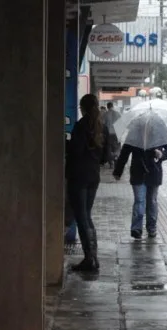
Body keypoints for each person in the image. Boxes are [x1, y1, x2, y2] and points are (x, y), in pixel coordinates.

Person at [66, 94, 110, 272]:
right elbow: (105, 157)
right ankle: (93, 257)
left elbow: (75, 151)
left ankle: (89, 259)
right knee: (87, 215)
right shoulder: (103, 128)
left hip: (79, 176)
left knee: (81, 216)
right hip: (93, 176)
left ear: (83, 107)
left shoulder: (81, 126)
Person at [113, 142, 167, 239]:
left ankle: (151, 227)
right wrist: (118, 171)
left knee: (152, 201)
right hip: (138, 172)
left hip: (154, 172)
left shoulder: (159, 132)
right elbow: (125, 152)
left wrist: (162, 154)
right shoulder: (134, 134)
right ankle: (136, 229)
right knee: (139, 200)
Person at [103, 102, 121, 168]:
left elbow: (103, 124)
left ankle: (111, 163)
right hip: (116, 133)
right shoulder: (118, 114)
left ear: (107, 107)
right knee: (116, 148)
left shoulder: (105, 114)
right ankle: (116, 159)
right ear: (112, 106)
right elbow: (121, 124)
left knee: (109, 148)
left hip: (108, 134)